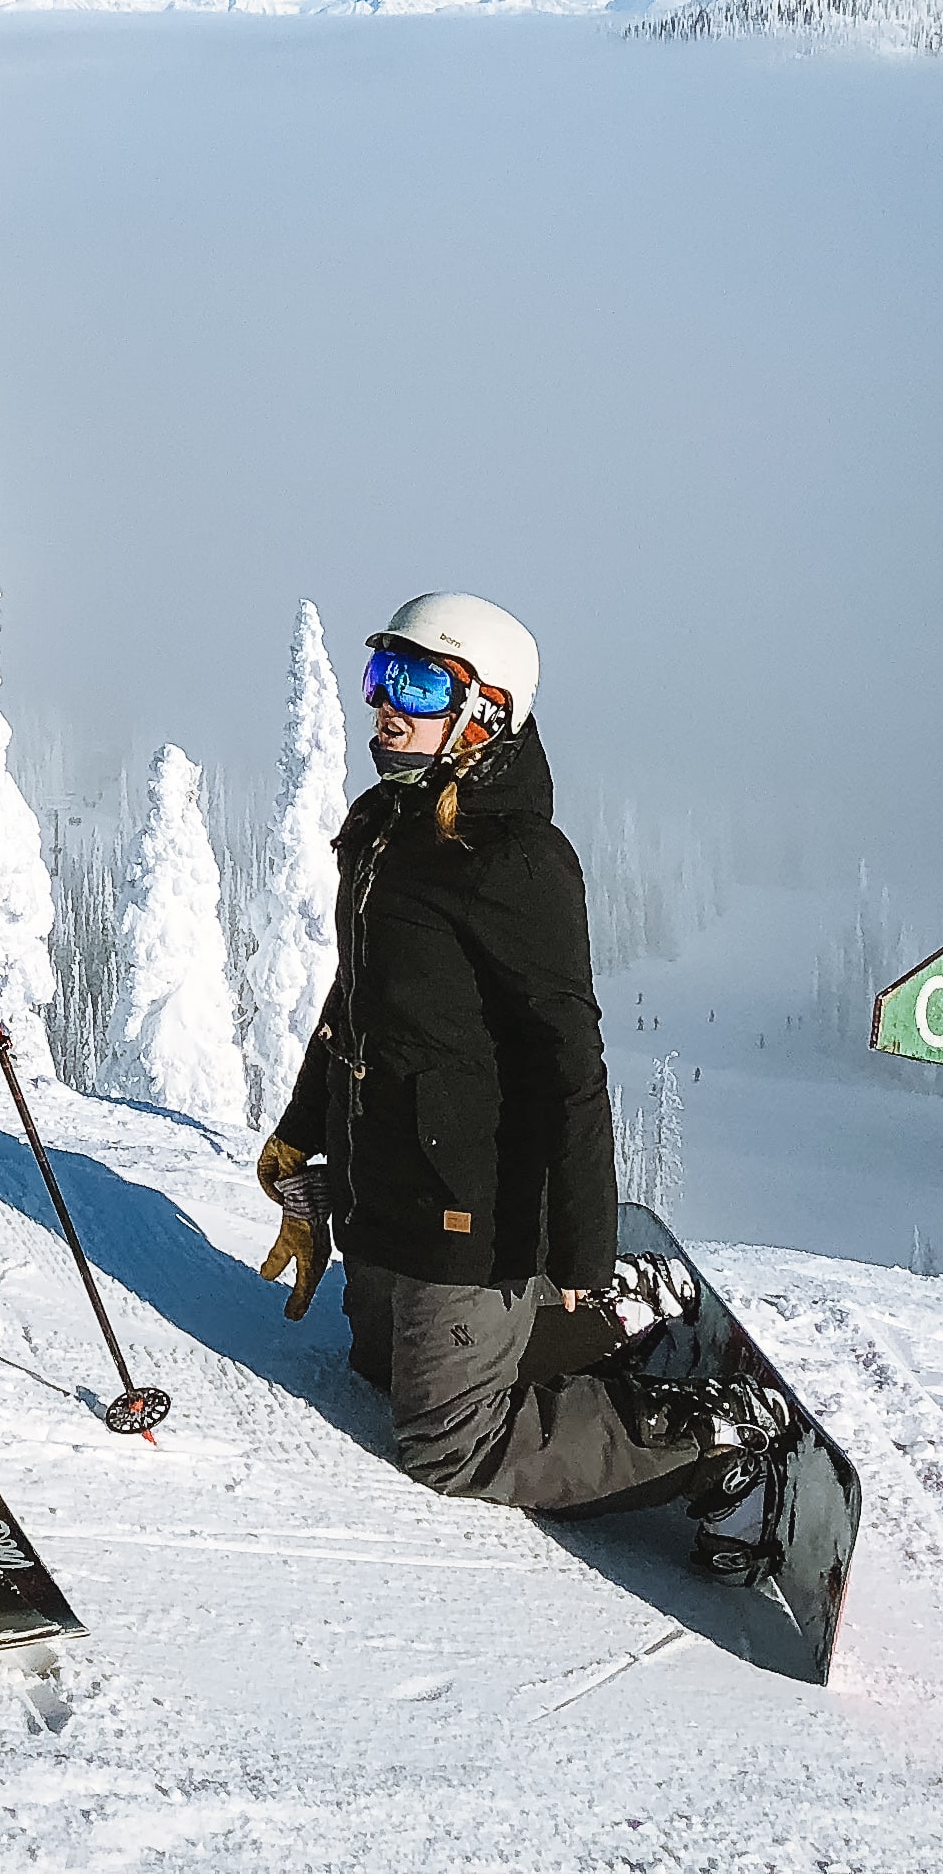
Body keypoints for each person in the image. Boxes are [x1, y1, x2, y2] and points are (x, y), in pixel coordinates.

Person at [257, 592, 784, 1577]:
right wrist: (302, 1138)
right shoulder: (384, 828)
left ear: (486, 711)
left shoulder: (518, 862)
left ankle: (714, 1433)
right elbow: (354, 1003)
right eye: (379, 676)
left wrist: (579, 1252)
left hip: (473, 1215)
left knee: (447, 1444)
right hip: (392, 1189)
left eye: (416, 685)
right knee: (374, 1363)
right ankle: (593, 1323)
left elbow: (568, 1070)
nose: (384, 705)